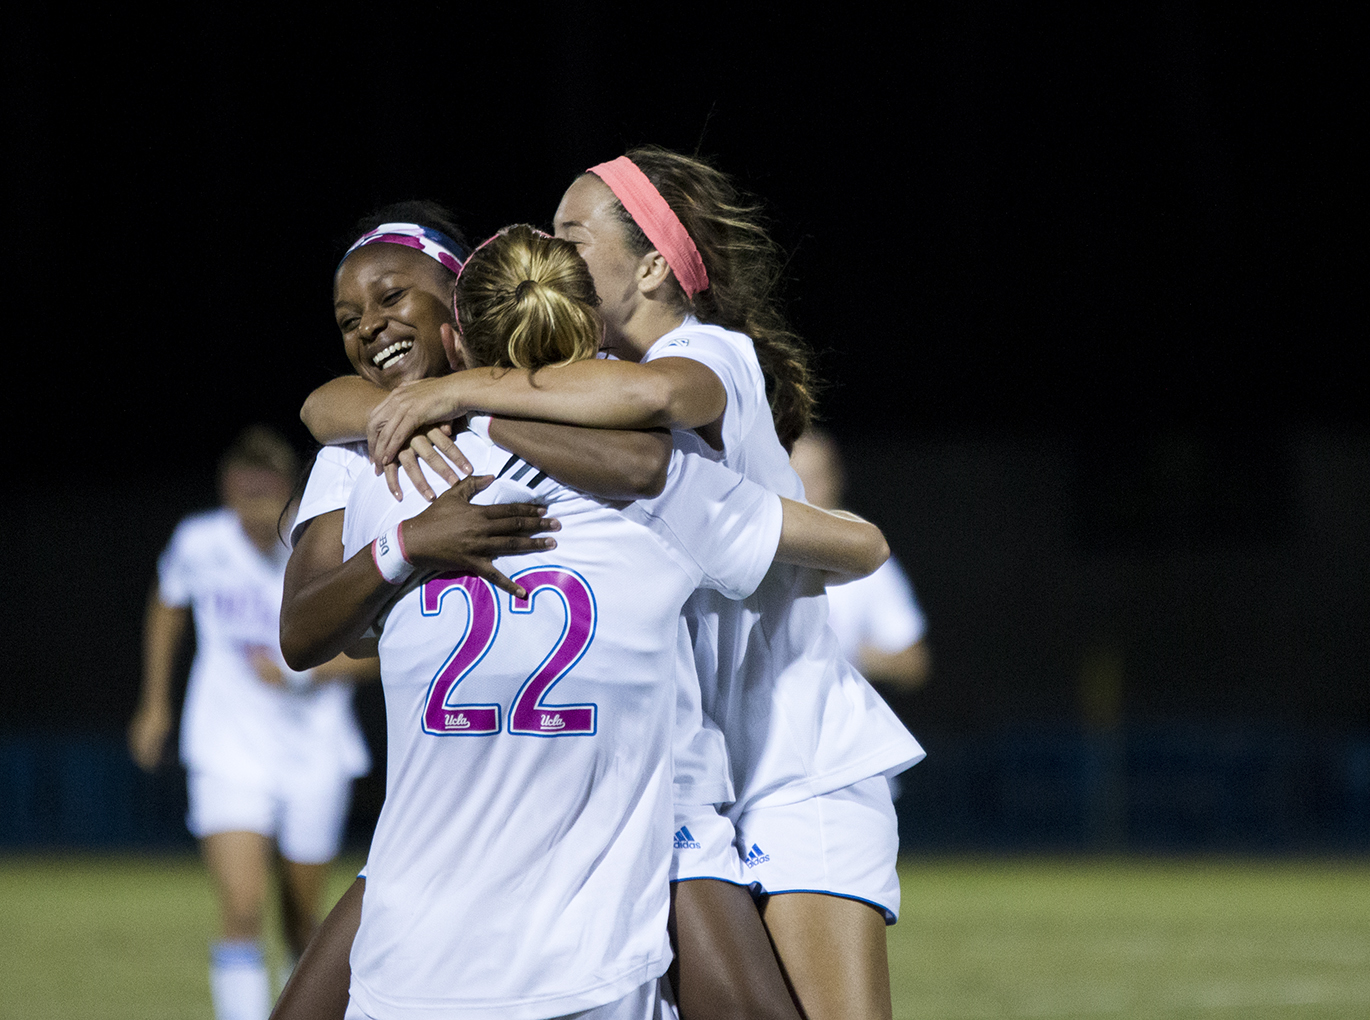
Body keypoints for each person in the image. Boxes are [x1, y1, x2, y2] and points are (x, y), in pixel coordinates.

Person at [349, 148, 924, 1020]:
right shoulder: (577, 410)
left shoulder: (707, 357)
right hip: (667, 780)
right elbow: (330, 405)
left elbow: (664, 408)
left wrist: (459, 390)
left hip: (791, 764)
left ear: (653, 265)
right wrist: (438, 398)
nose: (552, 249)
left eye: (572, 235)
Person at [128, 425, 373, 1020]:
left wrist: (302, 674)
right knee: (241, 907)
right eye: (243, 496)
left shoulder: (326, 543)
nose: (255, 511)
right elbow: (167, 604)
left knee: (299, 921)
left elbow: (385, 648)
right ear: (226, 492)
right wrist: (154, 702)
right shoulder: (200, 542)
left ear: (291, 492)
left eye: (267, 496)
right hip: (227, 747)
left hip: (314, 751)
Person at [789, 429, 930, 693]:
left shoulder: (869, 563)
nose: (805, 491)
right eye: (795, 478)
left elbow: (913, 663)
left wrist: (846, 652)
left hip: (835, 724)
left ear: (836, 480)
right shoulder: (753, 553)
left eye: (814, 479)